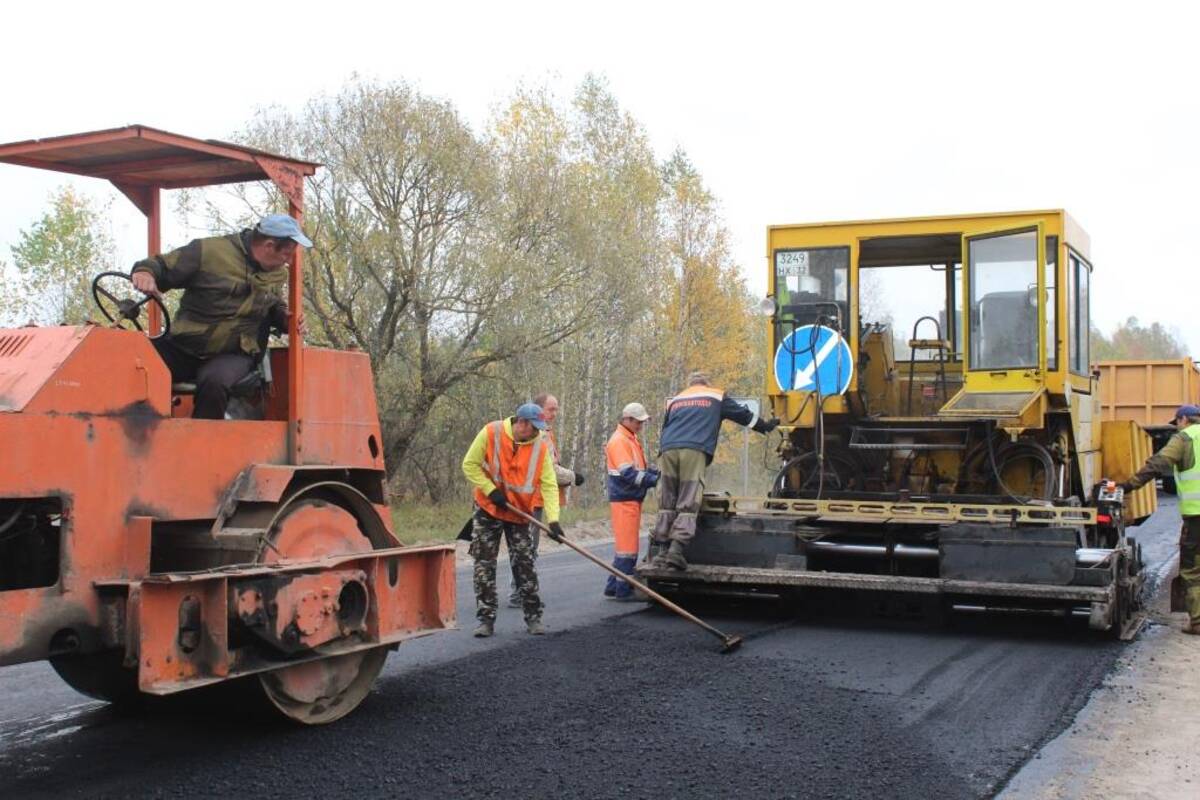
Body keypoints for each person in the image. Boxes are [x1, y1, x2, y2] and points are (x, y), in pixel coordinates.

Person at [130, 213, 311, 419]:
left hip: (233, 352)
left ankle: (200, 445)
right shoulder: (210, 253)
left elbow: (272, 305)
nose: (288, 261)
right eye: (286, 255)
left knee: (215, 382)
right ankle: (135, 431)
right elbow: (162, 266)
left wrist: (286, 319)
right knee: (135, 363)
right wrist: (145, 272)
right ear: (269, 246)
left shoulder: (276, 274)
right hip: (184, 345)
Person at [651, 371, 779, 571]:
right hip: (693, 449)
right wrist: (765, 426)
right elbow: (742, 415)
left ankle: (660, 553)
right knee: (688, 499)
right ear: (706, 383)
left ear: (690, 384)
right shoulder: (715, 395)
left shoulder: (677, 399)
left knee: (667, 500)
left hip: (667, 449)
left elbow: (666, 426)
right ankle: (675, 551)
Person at [462, 402, 564, 638]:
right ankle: (485, 620)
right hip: (488, 508)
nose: (538, 432)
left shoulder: (539, 447)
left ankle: (533, 617)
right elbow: (469, 465)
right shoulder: (491, 432)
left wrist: (554, 520)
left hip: (519, 512)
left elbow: (549, 484)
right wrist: (490, 490)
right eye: (535, 427)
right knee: (484, 565)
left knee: (525, 563)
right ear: (522, 423)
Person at [1121, 403, 1200, 635]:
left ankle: (1197, 621)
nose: (1177, 428)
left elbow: (1159, 463)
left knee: (1193, 569)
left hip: (1197, 517)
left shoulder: (1185, 438)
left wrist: (1128, 485)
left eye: (1177, 424)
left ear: (1184, 419)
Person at [507, 392, 584, 607]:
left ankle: (522, 591)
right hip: (531, 499)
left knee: (528, 548)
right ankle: (519, 593)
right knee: (526, 548)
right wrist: (574, 477)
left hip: (537, 498)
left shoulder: (545, 433)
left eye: (556, 409)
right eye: (551, 409)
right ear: (539, 411)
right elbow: (550, 471)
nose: (555, 413)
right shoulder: (538, 434)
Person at [604, 402, 658, 599]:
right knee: (628, 549)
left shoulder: (630, 439)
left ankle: (612, 586)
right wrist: (654, 480)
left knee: (624, 548)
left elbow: (637, 469)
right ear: (627, 419)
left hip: (630, 498)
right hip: (624, 499)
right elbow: (628, 473)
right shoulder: (620, 441)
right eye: (638, 422)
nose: (640, 425)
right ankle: (623, 591)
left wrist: (653, 473)